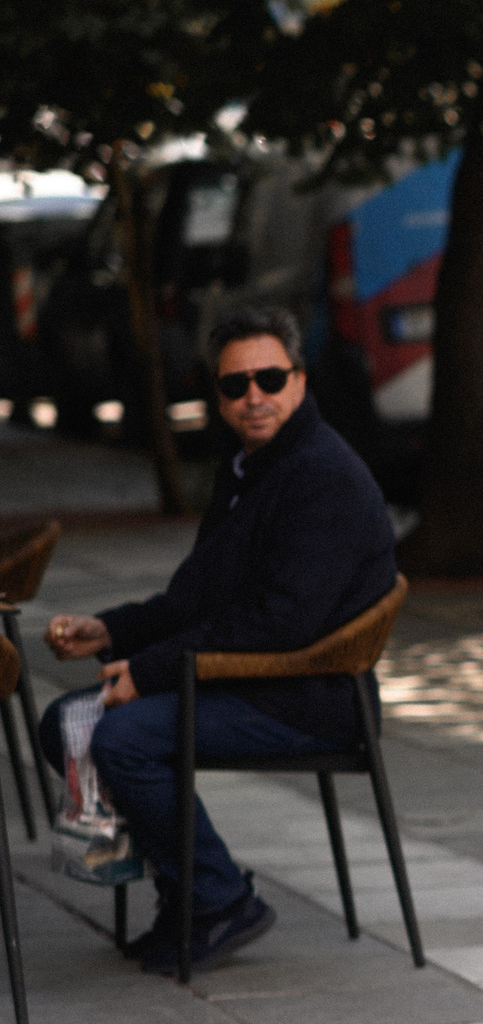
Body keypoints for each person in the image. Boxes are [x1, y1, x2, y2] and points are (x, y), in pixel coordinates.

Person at [41, 307, 398, 976]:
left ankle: (218, 897)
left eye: (268, 378)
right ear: (217, 394)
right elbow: (194, 601)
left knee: (119, 737)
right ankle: (188, 897)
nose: (253, 397)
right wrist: (113, 629)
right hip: (254, 679)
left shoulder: (320, 475)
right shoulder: (248, 467)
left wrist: (148, 671)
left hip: (309, 696)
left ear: (298, 379)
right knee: (65, 720)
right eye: (235, 385)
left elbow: (281, 623)